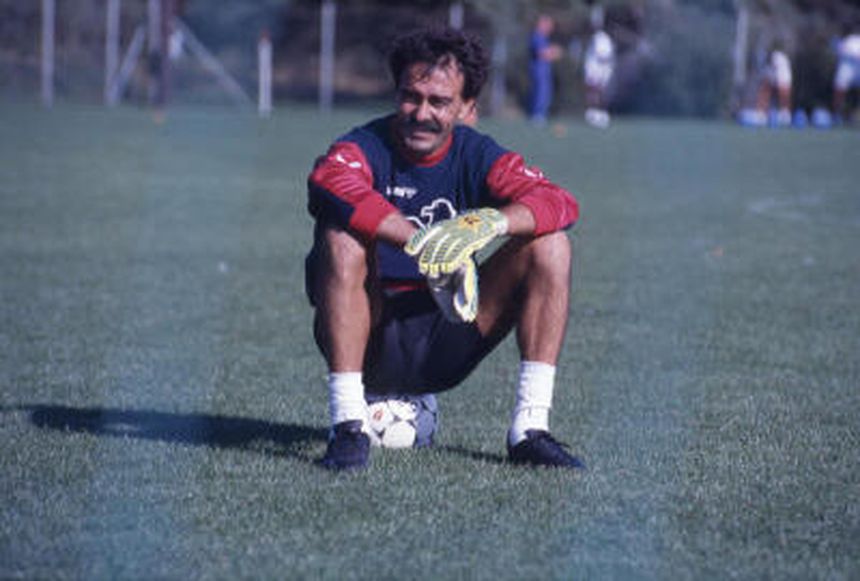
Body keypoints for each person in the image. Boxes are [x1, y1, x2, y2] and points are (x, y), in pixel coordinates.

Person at [305, 26, 583, 471]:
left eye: (439, 102)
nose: (421, 113)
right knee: (340, 239)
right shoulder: (364, 145)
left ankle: (530, 430)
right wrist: (422, 242)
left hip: (448, 332)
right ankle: (348, 428)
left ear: (468, 109)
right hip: (369, 334)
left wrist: (491, 221)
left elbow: (558, 201)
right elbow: (328, 182)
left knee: (551, 245)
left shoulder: (478, 153)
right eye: (411, 97)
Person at [528, 15, 563, 124]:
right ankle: (537, 115)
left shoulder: (544, 38)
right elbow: (542, 53)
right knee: (540, 92)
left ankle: (541, 114)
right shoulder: (537, 36)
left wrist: (552, 52)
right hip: (538, 70)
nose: (550, 28)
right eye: (548, 25)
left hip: (544, 71)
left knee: (545, 93)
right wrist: (554, 51)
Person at [583, 27, 615, 129]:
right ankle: (592, 113)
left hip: (603, 68)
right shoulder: (598, 38)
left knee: (600, 90)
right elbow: (601, 55)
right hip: (595, 67)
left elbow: (606, 56)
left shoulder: (606, 39)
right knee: (593, 90)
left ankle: (600, 113)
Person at [755, 41, 793, 127]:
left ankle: (785, 115)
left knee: (783, 93)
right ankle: (761, 114)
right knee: (764, 91)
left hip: (782, 77)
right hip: (774, 77)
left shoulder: (778, 57)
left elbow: (776, 71)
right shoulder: (765, 58)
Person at [833, 25, 860, 123]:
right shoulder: (843, 40)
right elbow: (839, 51)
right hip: (846, 66)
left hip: (858, 67)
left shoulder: (857, 40)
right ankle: (837, 115)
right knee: (839, 89)